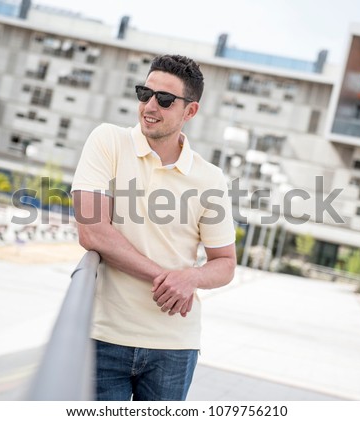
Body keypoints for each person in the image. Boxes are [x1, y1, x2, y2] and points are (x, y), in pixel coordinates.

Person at [71, 54, 236, 401]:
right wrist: (168, 278)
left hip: (175, 348)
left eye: (164, 100)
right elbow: (92, 231)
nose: (149, 105)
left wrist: (190, 278)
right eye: (144, 93)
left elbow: (225, 263)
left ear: (190, 112)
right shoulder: (108, 141)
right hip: (104, 337)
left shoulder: (210, 178)